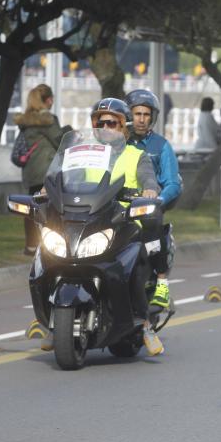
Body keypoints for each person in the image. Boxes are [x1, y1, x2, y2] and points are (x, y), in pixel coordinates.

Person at [40, 98, 164, 355]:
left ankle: (145, 325)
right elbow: (63, 174)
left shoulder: (136, 156)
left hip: (124, 221)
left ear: (124, 126)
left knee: (134, 261)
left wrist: (149, 190)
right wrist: (48, 188)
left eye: (112, 122)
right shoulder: (82, 153)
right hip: (86, 220)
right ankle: (50, 322)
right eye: (100, 122)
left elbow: (148, 179)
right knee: (48, 252)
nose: (106, 126)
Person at [125, 89, 183, 315]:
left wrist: (157, 200)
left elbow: (172, 182)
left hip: (148, 209)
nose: (140, 119)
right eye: (136, 113)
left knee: (157, 232)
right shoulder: (119, 143)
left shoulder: (161, 146)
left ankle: (161, 285)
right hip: (121, 209)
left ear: (152, 117)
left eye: (145, 114)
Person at [15, 84, 67, 255]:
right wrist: (70, 131)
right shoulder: (48, 120)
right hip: (47, 170)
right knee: (52, 209)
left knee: (31, 208)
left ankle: (30, 245)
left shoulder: (26, 122)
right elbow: (59, 141)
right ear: (48, 100)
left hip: (31, 172)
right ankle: (51, 245)